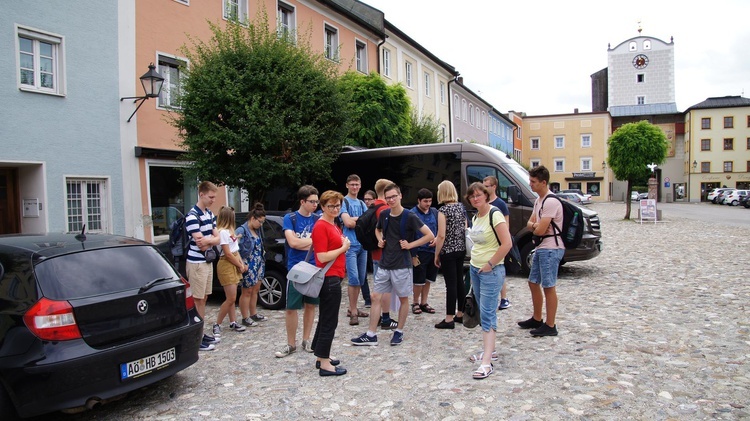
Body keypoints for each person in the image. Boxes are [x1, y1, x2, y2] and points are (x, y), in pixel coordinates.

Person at [351, 183, 434, 346]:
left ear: (400, 196)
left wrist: (410, 245)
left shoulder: (410, 216)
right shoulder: (385, 214)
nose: (391, 200)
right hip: (384, 263)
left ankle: (399, 331)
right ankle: (371, 334)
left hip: (402, 265)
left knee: (404, 299)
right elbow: (377, 229)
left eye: (393, 196)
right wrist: (380, 239)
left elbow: (430, 235)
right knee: (375, 297)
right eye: (388, 197)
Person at [465, 182, 512, 379]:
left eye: (479, 195)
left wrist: (491, 264)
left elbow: (507, 243)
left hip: (491, 271)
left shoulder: (495, 214)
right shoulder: (476, 216)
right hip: (475, 268)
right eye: (472, 196)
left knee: (487, 313)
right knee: (482, 309)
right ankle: (488, 350)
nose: (476, 198)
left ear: (486, 195)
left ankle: (487, 363)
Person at [518, 165, 565, 337]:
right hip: (541, 248)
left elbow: (538, 230)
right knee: (533, 282)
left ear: (543, 182)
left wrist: (536, 226)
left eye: (533, 182)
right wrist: (536, 226)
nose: (530, 184)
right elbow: (530, 224)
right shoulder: (539, 200)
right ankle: (537, 318)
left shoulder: (551, 201)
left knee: (548, 286)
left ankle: (550, 324)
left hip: (551, 248)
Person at [276, 185, 320, 358]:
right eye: (312, 201)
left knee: (311, 305)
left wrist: (307, 242)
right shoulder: (291, 218)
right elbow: (293, 243)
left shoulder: (318, 219)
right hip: (296, 268)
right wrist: (312, 241)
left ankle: (306, 340)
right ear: (302, 201)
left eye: (317, 201)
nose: (315, 205)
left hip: (314, 268)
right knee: (291, 307)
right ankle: (291, 343)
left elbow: (321, 241)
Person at [310, 191, 350, 376]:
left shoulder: (333, 224)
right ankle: (325, 364)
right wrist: (343, 247)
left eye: (338, 205)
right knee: (329, 320)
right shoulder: (321, 226)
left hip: (335, 276)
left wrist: (342, 243)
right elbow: (321, 257)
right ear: (323, 207)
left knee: (326, 317)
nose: (335, 209)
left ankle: (321, 355)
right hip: (329, 278)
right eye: (331, 206)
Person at [185, 181, 222, 351]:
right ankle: (197, 336)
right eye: (211, 197)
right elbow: (201, 244)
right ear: (202, 194)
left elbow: (218, 238)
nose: (213, 200)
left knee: (205, 298)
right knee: (198, 299)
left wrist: (210, 240)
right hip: (197, 262)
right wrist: (210, 240)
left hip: (206, 262)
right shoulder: (193, 216)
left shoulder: (209, 215)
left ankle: (200, 330)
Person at [433, 180, 467, 329]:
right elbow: (465, 227)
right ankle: (460, 313)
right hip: (461, 249)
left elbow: (441, 235)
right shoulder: (461, 207)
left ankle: (448, 318)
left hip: (448, 250)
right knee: (460, 281)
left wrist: (436, 254)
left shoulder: (443, 211)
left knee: (450, 284)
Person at [340, 175, 369, 326]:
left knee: (361, 278)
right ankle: (353, 311)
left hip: (363, 245)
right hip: (350, 245)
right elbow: (348, 223)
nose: (355, 187)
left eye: (357, 184)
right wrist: (360, 219)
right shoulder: (343, 202)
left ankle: (354, 308)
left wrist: (355, 219)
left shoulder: (362, 203)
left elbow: (367, 221)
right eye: (352, 184)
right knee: (353, 279)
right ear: (347, 185)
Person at [369, 179, 398, 330]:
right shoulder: (385, 209)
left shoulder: (372, 206)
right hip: (384, 254)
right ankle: (385, 318)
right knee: (385, 288)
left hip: (375, 252)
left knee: (378, 286)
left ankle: (378, 316)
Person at [214, 206, 247, 335]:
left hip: (233, 261)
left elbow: (235, 250)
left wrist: (241, 263)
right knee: (231, 298)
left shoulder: (230, 231)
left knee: (232, 297)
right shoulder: (222, 232)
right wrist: (239, 265)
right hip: (226, 264)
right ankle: (217, 323)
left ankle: (233, 321)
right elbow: (227, 254)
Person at [483, 176, 512, 310]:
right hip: (486, 242)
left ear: (494, 187)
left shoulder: (500, 204)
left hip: (498, 241)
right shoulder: (483, 202)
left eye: (487, 186)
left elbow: (506, 224)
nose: (484, 188)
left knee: (499, 267)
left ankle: (504, 297)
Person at [236, 203, 267, 327]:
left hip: (259, 263)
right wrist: (241, 263)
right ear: (253, 218)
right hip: (248, 263)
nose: (261, 224)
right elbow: (235, 248)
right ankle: (245, 317)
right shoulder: (242, 230)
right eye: (260, 221)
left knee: (255, 290)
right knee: (247, 291)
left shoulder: (257, 231)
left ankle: (253, 313)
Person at [410, 188, 438, 316]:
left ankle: (424, 302)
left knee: (428, 279)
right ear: (419, 201)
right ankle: (415, 302)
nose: (428, 204)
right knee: (418, 279)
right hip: (418, 251)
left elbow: (440, 229)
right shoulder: (412, 214)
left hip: (432, 251)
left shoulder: (434, 212)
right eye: (425, 201)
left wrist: (437, 239)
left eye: (430, 201)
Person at [361, 189, 377, 308]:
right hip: (363, 244)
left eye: (369, 199)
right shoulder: (363, 209)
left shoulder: (376, 211)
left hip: (374, 245)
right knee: (363, 273)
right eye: (365, 199)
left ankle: (376, 296)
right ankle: (367, 298)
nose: (367, 201)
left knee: (375, 271)